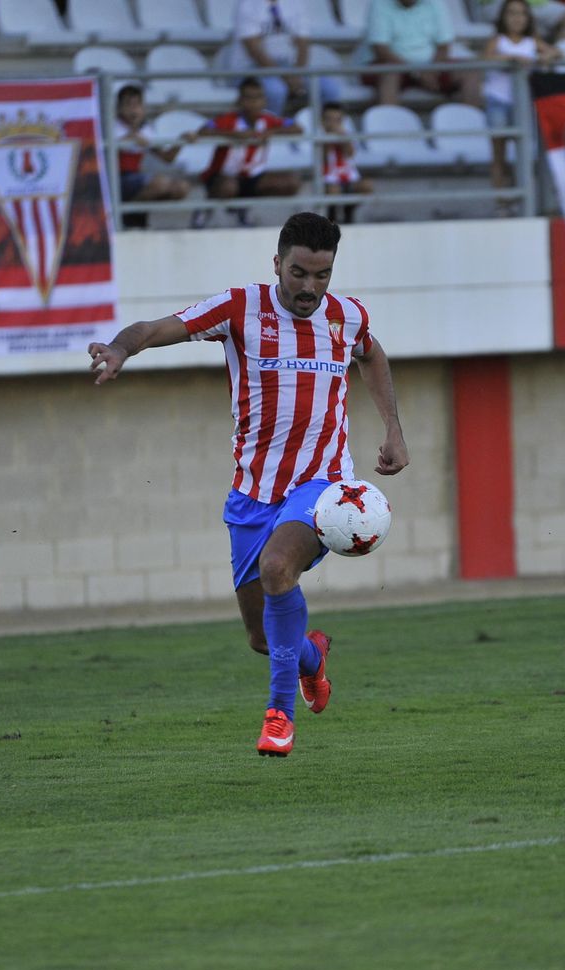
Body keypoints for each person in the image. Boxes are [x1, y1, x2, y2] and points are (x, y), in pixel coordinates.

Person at [86, 212, 410, 758]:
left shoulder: (347, 317)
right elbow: (157, 329)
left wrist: (394, 428)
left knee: (279, 567)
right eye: (299, 272)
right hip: (252, 495)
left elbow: (371, 355)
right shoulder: (240, 308)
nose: (310, 287)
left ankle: (279, 717)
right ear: (277, 264)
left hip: (324, 487)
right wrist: (121, 349)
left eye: (322, 275)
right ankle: (312, 657)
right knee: (265, 639)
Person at [196, 77, 303, 224]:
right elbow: (203, 131)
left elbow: (297, 128)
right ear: (239, 100)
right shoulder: (228, 120)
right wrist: (234, 135)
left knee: (291, 182)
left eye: (258, 97)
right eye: (248, 97)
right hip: (223, 176)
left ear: (264, 101)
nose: (253, 103)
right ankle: (206, 209)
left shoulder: (268, 120)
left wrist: (272, 132)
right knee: (229, 186)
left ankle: (243, 208)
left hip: (252, 177)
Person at [483, 0, 558, 191]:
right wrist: (511, 59)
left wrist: (546, 56)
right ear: (503, 17)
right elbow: (485, 58)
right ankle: (502, 200)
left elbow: (557, 53)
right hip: (498, 101)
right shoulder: (498, 40)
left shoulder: (532, 41)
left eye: (521, 13)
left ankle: (523, 195)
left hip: (522, 103)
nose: (517, 18)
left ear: (528, 18)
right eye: (512, 13)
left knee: (523, 152)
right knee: (498, 153)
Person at [222, 0, 341, 118]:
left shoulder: (295, 3)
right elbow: (253, 49)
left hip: (288, 67)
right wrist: (284, 76)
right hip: (250, 69)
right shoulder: (247, 4)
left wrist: (298, 74)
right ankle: (270, 130)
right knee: (276, 90)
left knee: (329, 88)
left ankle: (325, 131)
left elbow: (303, 42)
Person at [364, 0, 480, 107]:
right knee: (389, 74)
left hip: (431, 67)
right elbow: (381, 50)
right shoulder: (379, 4)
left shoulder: (435, 3)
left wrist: (432, 71)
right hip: (395, 66)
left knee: (470, 71)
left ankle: (473, 125)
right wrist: (417, 73)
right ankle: (388, 126)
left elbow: (444, 46)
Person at [112, 83, 192, 229]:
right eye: (128, 105)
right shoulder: (112, 126)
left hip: (135, 178)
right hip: (115, 178)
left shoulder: (146, 129)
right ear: (119, 108)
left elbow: (167, 158)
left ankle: (133, 214)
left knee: (181, 188)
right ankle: (126, 215)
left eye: (137, 105)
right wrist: (128, 138)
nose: (133, 110)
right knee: (159, 183)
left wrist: (181, 141)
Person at [318, 102, 372, 224]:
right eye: (329, 119)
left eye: (337, 120)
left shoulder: (345, 134)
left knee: (367, 186)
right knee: (334, 190)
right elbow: (323, 158)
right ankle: (331, 218)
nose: (333, 124)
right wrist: (329, 138)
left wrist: (343, 139)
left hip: (346, 175)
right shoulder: (318, 136)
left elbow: (350, 153)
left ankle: (349, 211)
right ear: (322, 121)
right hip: (329, 177)